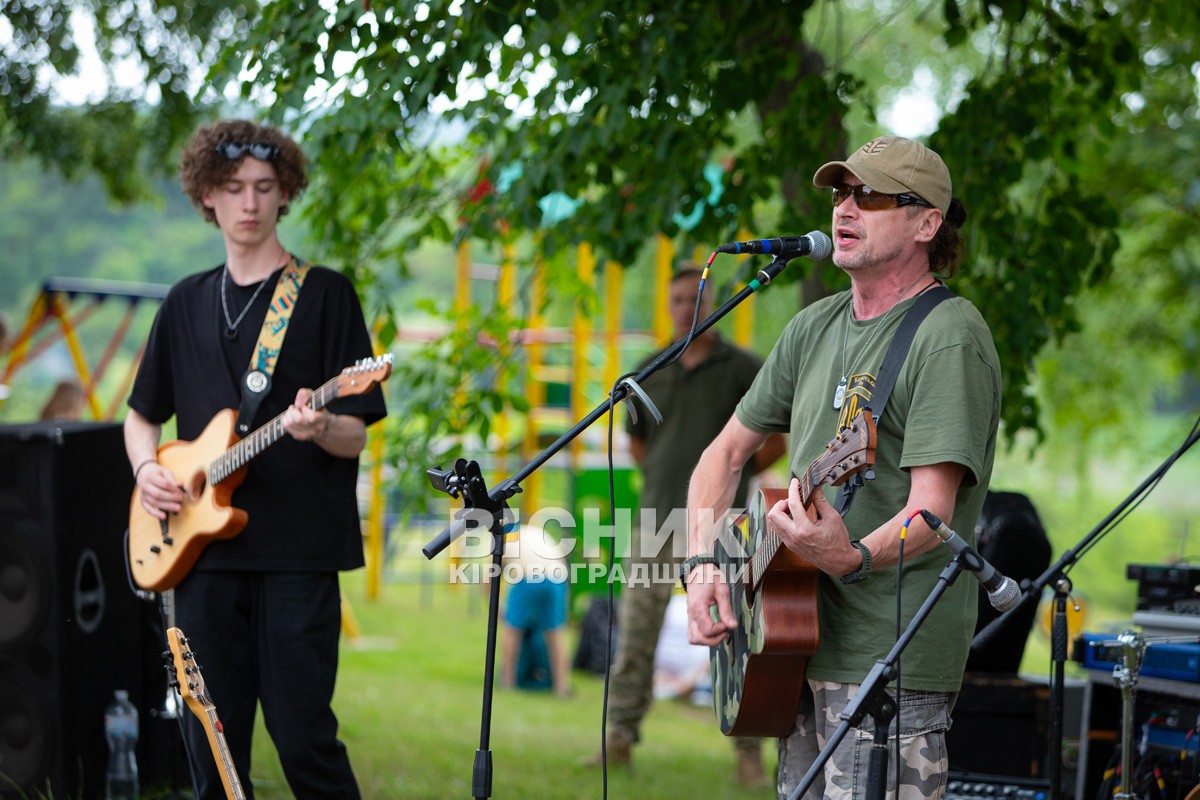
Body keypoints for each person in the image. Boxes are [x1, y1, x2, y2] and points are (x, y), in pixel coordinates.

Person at [683, 135, 1001, 800]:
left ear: (926, 222)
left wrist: (850, 556)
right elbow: (724, 453)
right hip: (793, 648)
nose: (844, 208)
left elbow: (932, 510)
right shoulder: (814, 325)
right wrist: (703, 565)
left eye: (870, 195)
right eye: (839, 193)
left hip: (888, 663)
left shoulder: (949, 334)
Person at [124, 119, 386, 799]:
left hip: (298, 554)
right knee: (209, 741)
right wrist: (147, 471)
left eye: (264, 188)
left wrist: (322, 424)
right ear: (206, 195)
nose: (248, 202)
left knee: (304, 736)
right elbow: (140, 416)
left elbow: (358, 432)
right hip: (199, 556)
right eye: (233, 187)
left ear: (285, 194)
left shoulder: (326, 294)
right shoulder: (183, 302)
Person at [587, 267, 785, 786]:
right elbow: (636, 445)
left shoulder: (744, 368)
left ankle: (748, 754)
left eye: (694, 299)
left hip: (726, 526)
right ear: (667, 303)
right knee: (635, 633)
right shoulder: (647, 370)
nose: (685, 308)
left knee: (738, 635)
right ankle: (619, 739)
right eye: (676, 299)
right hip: (657, 519)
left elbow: (777, 439)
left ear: (712, 302)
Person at [496, 524, 573, 697]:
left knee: (512, 630)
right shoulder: (538, 532)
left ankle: (507, 683)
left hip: (528, 575)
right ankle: (562, 688)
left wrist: (499, 610)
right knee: (555, 632)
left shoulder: (505, 537)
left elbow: (489, 577)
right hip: (557, 577)